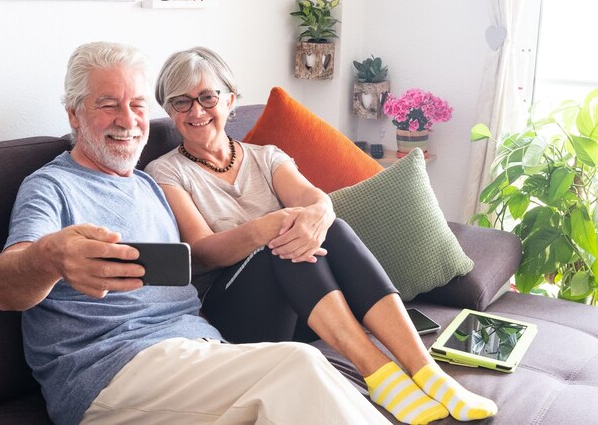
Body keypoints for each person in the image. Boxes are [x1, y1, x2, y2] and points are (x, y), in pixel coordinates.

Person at [0, 41, 390, 425]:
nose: (127, 121)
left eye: (137, 105)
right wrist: (50, 256)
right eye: (108, 105)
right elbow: (5, 288)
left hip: (197, 351)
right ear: (74, 115)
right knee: (298, 366)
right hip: (111, 370)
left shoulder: (147, 186)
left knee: (299, 382)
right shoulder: (51, 186)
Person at [146, 46, 499, 425]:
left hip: (303, 311)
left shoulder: (266, 157)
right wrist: (269, 227)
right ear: (170, 111)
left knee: (332, 227)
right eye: (181, 102)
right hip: (237, 315)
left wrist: (316, 214)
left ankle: (428, 373)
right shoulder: (166, 171)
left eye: (207, 97)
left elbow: (316, 201)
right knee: (282, 245)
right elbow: (203, 252)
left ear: (230, 100)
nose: (196, 111)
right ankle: (378, 373)